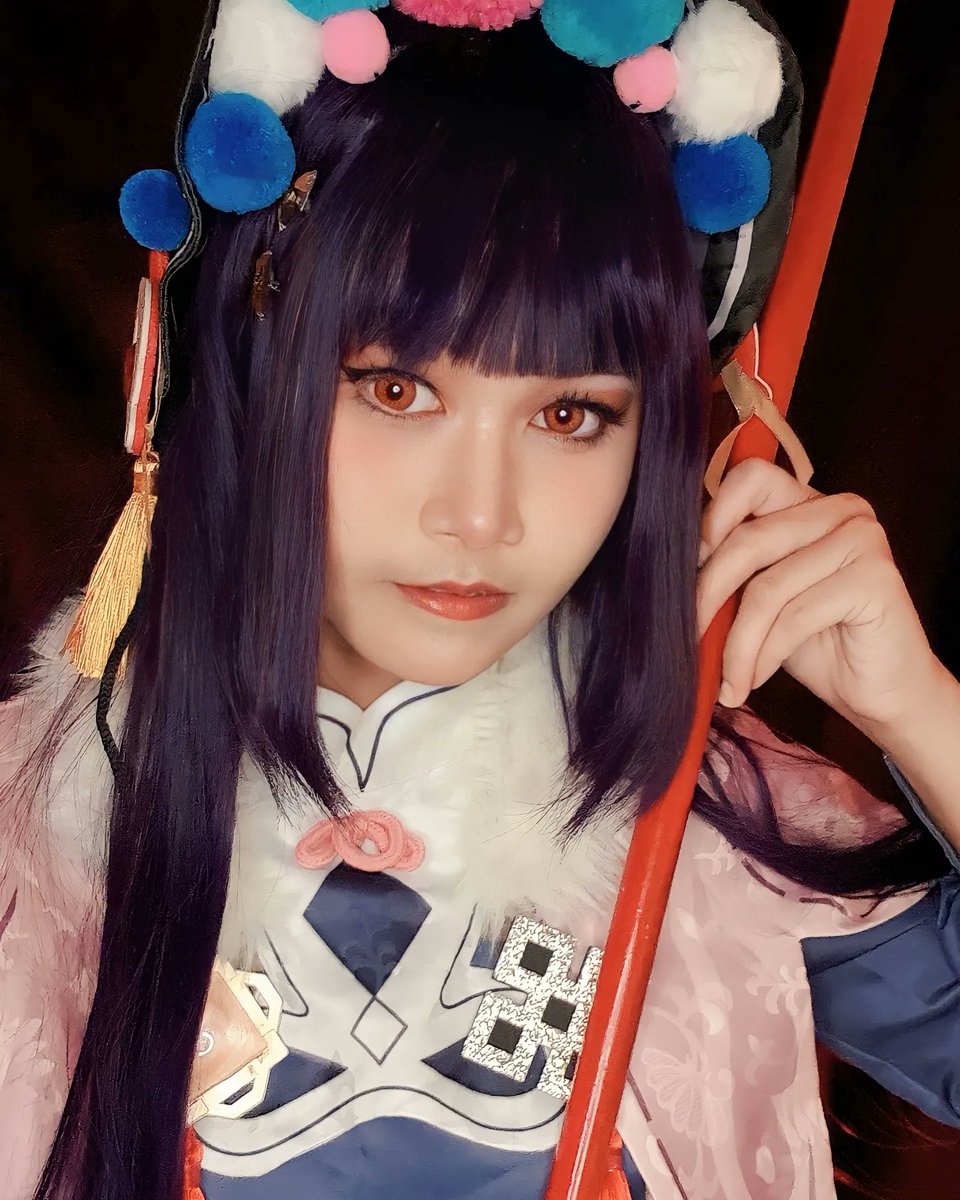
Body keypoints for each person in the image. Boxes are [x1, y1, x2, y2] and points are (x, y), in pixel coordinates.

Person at [2, 4, 960, 1200]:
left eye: (569, 414)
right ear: (244, 375)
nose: (481, 516)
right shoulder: (30, 830)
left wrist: (925, 711)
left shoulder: (702, 819)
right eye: (397, 390)